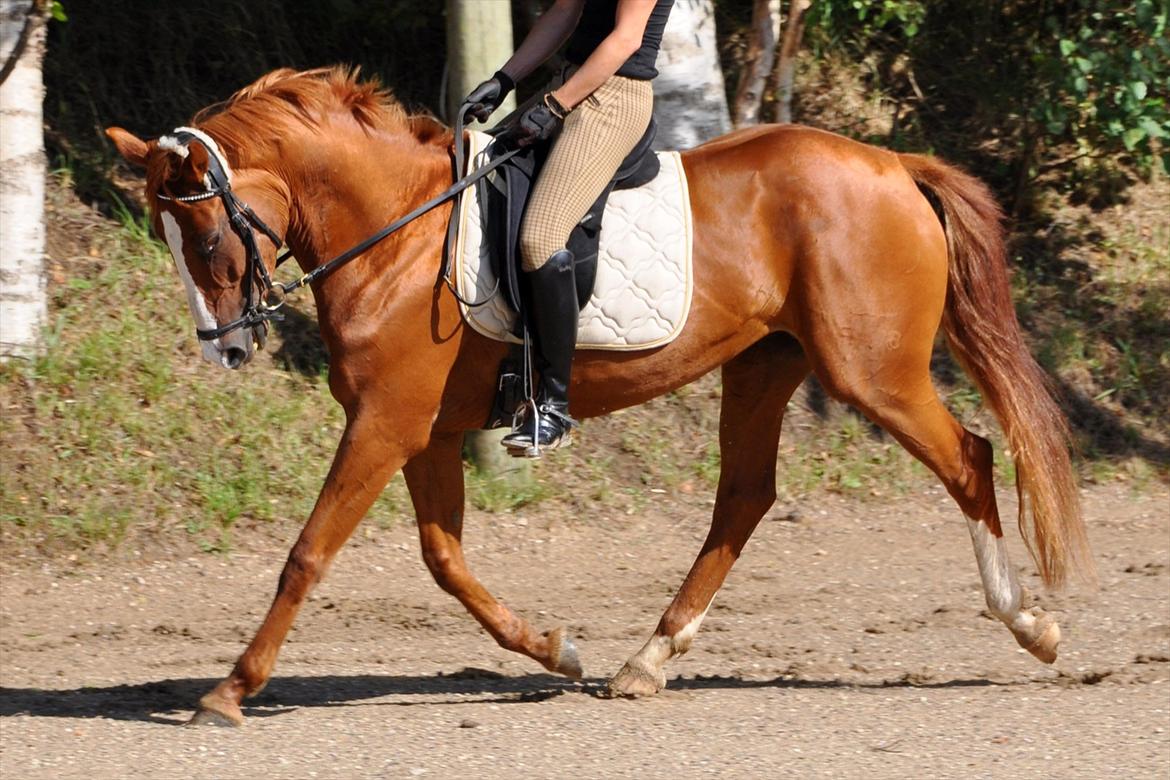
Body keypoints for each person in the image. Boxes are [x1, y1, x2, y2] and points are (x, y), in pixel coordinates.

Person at [462, 0, 675, 457]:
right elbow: (565, 10)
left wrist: (555, 106)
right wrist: (505, 80)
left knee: (541, 238)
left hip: (614, 100)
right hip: (570, 84)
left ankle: (553, 408)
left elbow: (626, 38)